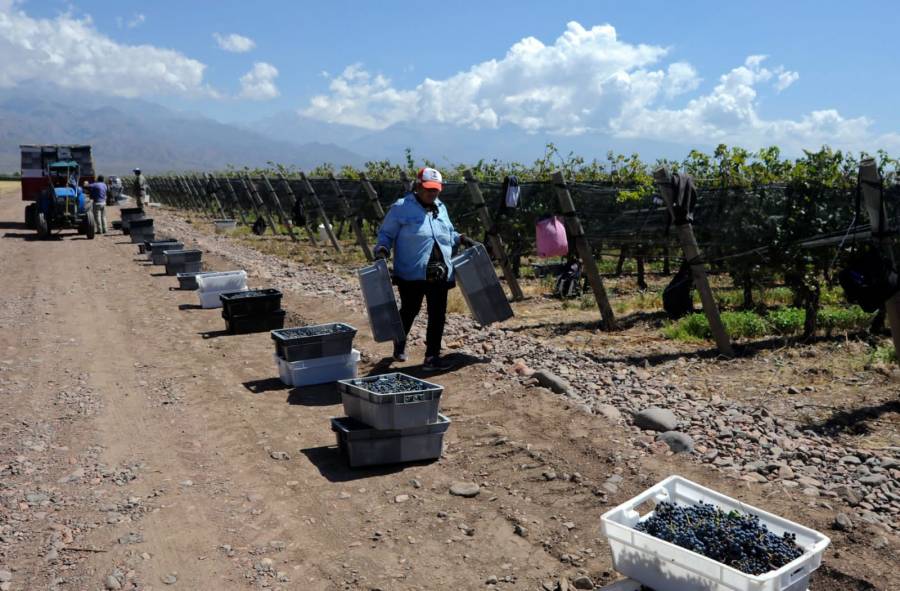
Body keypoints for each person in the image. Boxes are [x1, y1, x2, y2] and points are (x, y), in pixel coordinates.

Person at [374, 167, 473, 371]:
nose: (432, 193)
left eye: (436, 189)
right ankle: (399, 342)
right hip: (412, 272)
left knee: (438, 314)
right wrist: (382, 249)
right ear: (418, 186)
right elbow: (386, 234)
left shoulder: (440, 207)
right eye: (428, 189)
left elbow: (448, 232)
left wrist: (461, 238)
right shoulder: (401, 207)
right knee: (410, 309)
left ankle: (432, 357)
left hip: (440, 270)